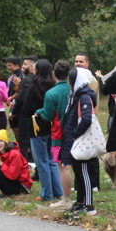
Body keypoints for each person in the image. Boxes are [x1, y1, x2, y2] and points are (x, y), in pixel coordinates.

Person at [60, 67, 99, 216]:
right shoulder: (76, 95)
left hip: (80, 140)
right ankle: (80, 202)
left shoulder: (84, 96)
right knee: (78, 172)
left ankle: (89, 205)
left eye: (70, 79)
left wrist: (74, 134)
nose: (68, 82)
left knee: (84, 172)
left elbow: (86, 119)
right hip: (75, 140)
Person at [23, 59, 62, 202]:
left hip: (37, 127)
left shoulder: (33, 88)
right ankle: (58, 191)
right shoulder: (53, 87)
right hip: (51, 127)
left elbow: (27, 109)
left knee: (42, 162)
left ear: (37, 71)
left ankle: (47, 193)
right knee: (52, 161)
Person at [36, 60, 73, 207]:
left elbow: (48, 115)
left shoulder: (51, 93)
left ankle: (66, 199)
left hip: (59, 134)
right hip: (76, 132)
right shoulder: (73, 89)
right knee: (76, 166)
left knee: (63, 167)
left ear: (54, 74)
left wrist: (39, 111)